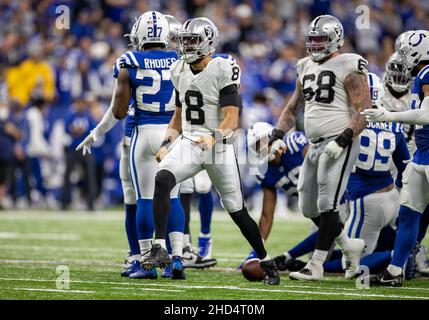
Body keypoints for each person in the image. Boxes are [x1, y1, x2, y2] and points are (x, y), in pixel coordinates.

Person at [141, 17, 280, 285]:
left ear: (207, 42)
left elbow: (231, 119)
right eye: (184, 40)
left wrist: (213, 137)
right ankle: (159, 248)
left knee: (237, 211)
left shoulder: (223, 68)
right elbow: (178, 116)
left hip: (219, 147)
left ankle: (266, 260)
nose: (187, 45)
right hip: (191, 142)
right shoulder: (178, 69)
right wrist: (166, 143)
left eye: (193, 40)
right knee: (162, 177)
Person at [269, 15, 371, 281]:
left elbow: (364, 110)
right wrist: (277, 134)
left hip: (339, 141)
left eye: (320, 40)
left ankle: (316, 265)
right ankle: (349, 245)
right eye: (311, 39)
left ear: (335, 39)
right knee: (308, 207)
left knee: (328, 203)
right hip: (314, 145)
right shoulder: (304, 66)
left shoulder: (349, 63)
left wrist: (344, 138)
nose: (315, 45)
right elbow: (293, 107)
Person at [109, 11, 187, 280]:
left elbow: (119, 112)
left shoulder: (128, 61)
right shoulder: (181, 59)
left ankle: (146, 262)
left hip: (144, 133)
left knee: (144, 198)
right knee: (173, 196)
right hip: (173, 134)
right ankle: (176, 258)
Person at [363, 30, 429, 286]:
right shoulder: (420, 75)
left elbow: (426, 115)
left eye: (406, 51)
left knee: (410, 215)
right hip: (421, 155)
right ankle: (394, 271)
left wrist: (389, 117)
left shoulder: (426, 73)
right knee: (409, 214)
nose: (403, 57)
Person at [238, 122, 308, 268]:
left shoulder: (295, 143)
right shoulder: (265, 173)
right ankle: (289, 260)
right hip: (316, 209)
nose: (261, 149)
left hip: (335, 199)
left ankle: (285, 258)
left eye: (262, 143)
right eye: (256, 147)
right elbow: (266, 216)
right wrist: (257, 250)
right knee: (323, 255)